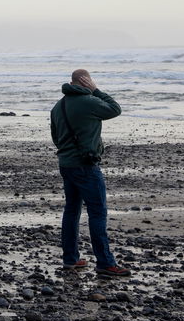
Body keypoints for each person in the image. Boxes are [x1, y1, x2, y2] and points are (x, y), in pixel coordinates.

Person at [50, 69, 129, 278]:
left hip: (66, 165)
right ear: (86, 82)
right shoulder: (90, 101)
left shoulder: (58, 106)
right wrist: (96, 90)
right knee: (97, 212)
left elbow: (56, 138)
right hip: (86, 166)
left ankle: (70, 259)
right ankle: (105, 263)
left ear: (71, 83)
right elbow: (115, 109)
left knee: (71, 211)